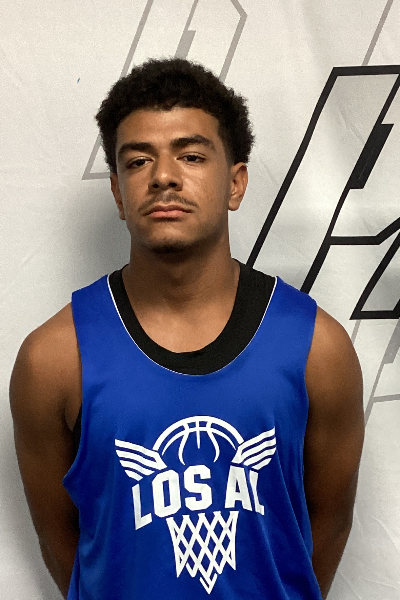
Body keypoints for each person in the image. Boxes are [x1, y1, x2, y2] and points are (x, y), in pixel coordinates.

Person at [10, 58, 364, 600]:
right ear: (118, 193)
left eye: (192, 156)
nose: (164, 177)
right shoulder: (53, 359)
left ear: (236, 183)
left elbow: (328, 524)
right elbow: (65, 543)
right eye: (138, 161)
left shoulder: (318, 347)